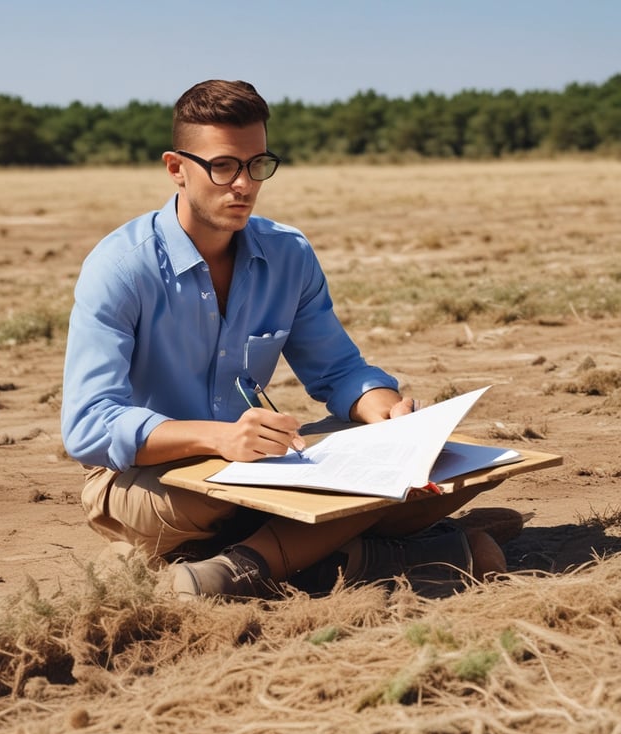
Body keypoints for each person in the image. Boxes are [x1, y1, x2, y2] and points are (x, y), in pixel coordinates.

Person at [61, 79, 515, 599]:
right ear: (176, 168)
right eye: (224, 166)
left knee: (453, 466)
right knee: (244, 497)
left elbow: (340, 371)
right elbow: (88, 425)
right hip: (144, 483)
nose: (244, 185)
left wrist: (387, 412)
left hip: (252, 462)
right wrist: (218, 438)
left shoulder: (288, 255)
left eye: (257, 165)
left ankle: (276, 559)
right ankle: (354, 555)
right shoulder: (120, 267)